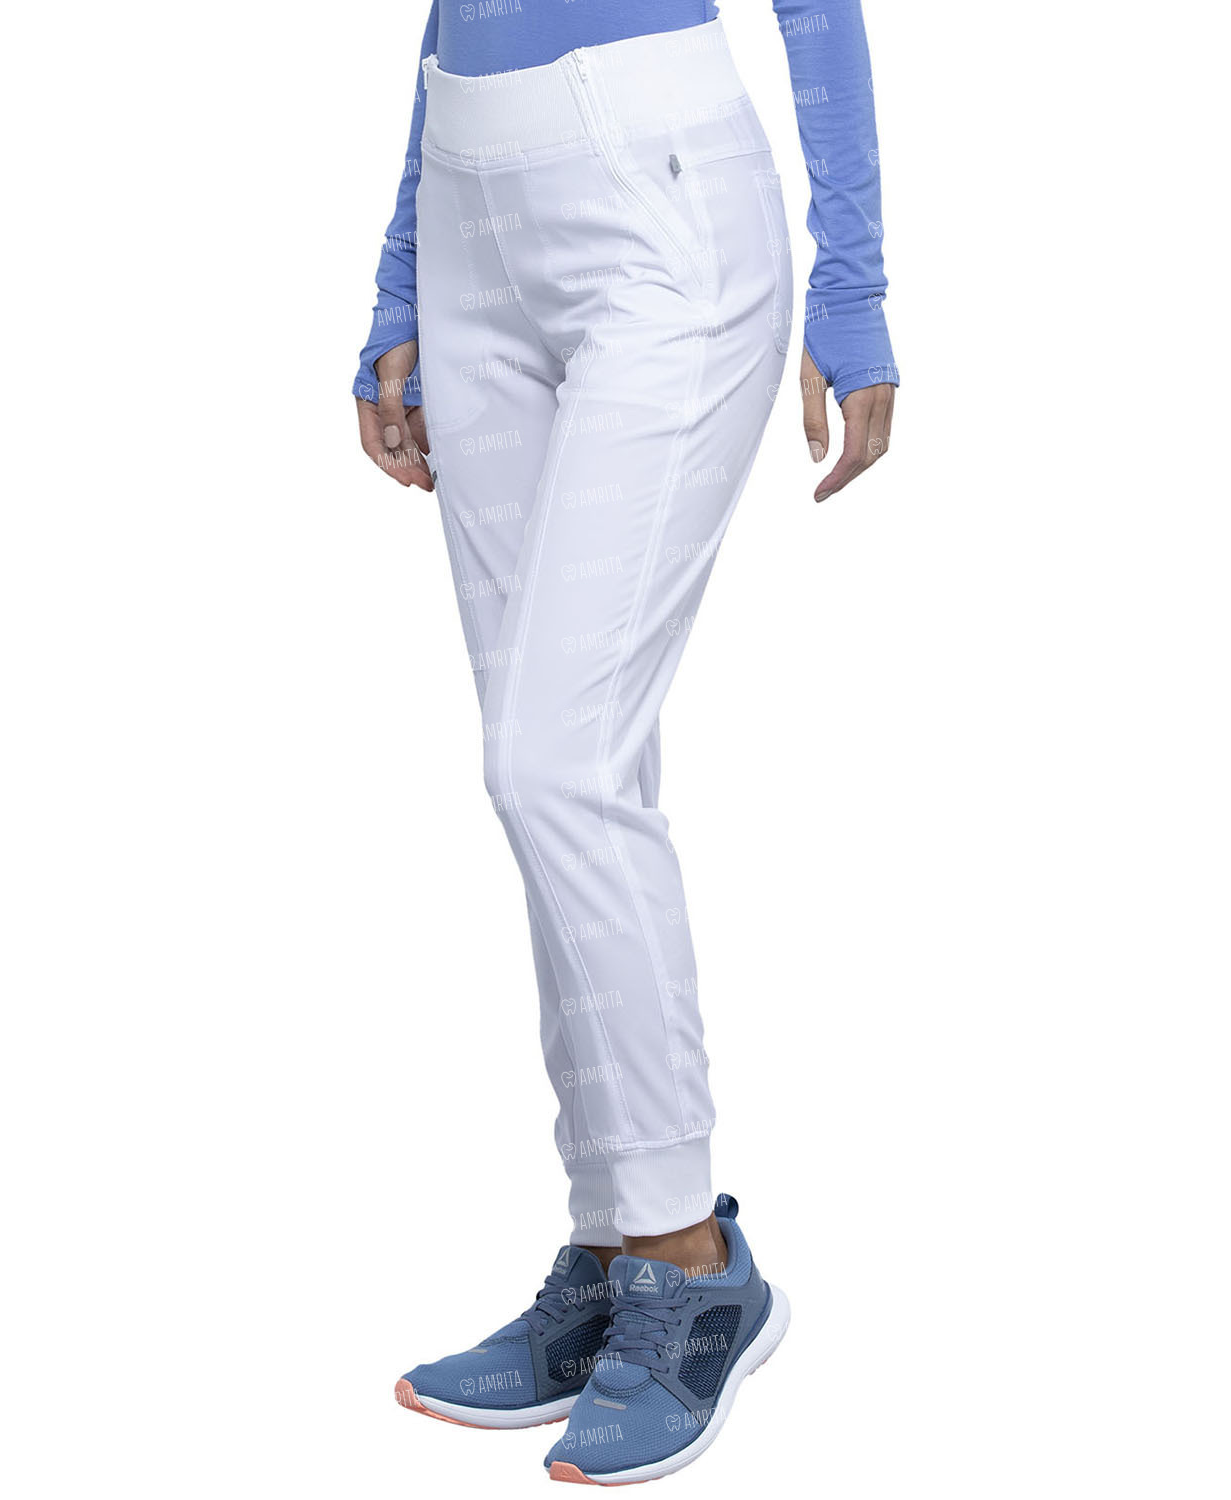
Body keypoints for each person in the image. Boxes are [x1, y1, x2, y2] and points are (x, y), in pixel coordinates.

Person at [355, 1, 898, 1482]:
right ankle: (611, 1244)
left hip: (656, 206)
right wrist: (402, 275)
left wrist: (853, 288)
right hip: (470, 216)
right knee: (563, 780)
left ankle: (689, 1257)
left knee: (554, 762)